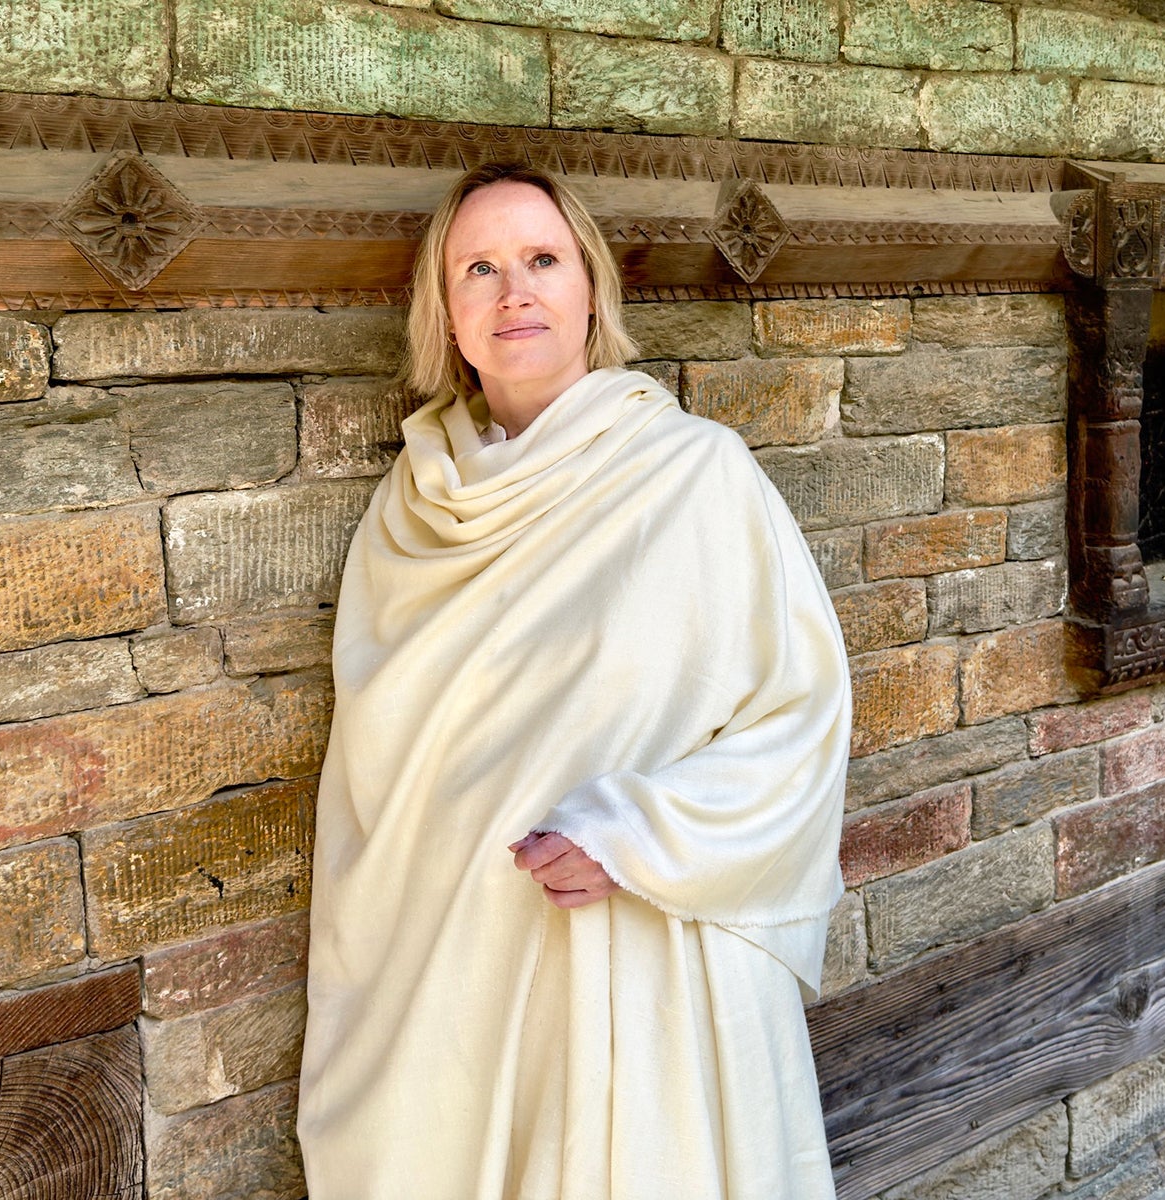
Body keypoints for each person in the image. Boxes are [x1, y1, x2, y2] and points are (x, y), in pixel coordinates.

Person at [296, 162, 853, 1200]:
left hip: (645, 946)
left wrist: (638, 835)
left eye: (542, 260)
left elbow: (801, 721)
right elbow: (378, 770)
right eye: (480, 269)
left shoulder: (697, 474)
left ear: (588, 289)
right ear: (446, 315)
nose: (515, 293)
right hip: (455, 957)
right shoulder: (409, 513)